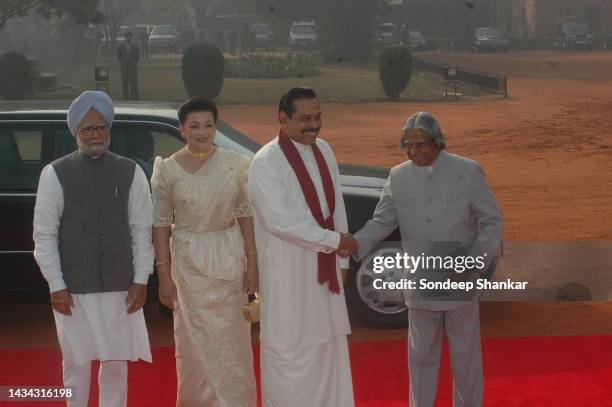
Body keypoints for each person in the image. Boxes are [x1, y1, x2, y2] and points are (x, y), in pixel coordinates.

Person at [353, 112, 504, 407]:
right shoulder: (398, 176)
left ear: (437, 141)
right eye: (408, 145)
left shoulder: (468, 172)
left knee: (465, 357)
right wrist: (352, 243)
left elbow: (492, 221)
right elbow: (382, 221)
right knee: (421, 358)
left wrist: (473, 262)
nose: (414, 152)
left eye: (421, 144)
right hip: (420, 282)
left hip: (459, 280)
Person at [33, 91, 154, 407]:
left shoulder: (132, 172)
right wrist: (56, 285)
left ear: (110, 130)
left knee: (116, 365)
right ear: (75, 132)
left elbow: (142, 231)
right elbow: (44, 236)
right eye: (87, 128)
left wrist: (141, 279)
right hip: (73, 290)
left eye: (101, 127)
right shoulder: (54, 174)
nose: (95, 134)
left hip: (120, 288)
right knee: (76, 363)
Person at [248, 87, 357, 407]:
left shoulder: (325, 149)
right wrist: (335, 242)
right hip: (288, 275)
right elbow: (280, 222)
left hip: (325, 276)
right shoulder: (266, 162)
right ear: (282, 119)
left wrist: (343, 262)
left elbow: (336, 208)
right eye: (305, 119)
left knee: (328, 348)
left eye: (318, 116)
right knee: (288, 354)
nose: (314, 125)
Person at [151, 96, 258, 407]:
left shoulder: (236, 165)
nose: (202, 132)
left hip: (229, 258)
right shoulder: (167, 170)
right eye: (194, 126)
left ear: (216, 126)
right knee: (192, 345)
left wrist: (252, 265)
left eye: (208, 125)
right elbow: (160, 225)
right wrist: (164, 275)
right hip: (186, 266)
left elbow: (246, 215)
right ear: (182, 129)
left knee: (234, 343)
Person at [117, 31, 140, 100]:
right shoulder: (120, 46)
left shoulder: (135, 46)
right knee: (125, 84)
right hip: (124, 68)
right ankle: (126, 97)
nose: (127, 38)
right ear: (124, 38)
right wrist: (123, 62)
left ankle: (135, 97)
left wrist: (133, 61)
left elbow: (137, 56)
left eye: (128, 36)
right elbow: (118, 56)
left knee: (134, 84)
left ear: (131, 37)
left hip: (132, 68)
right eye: (126, 37)